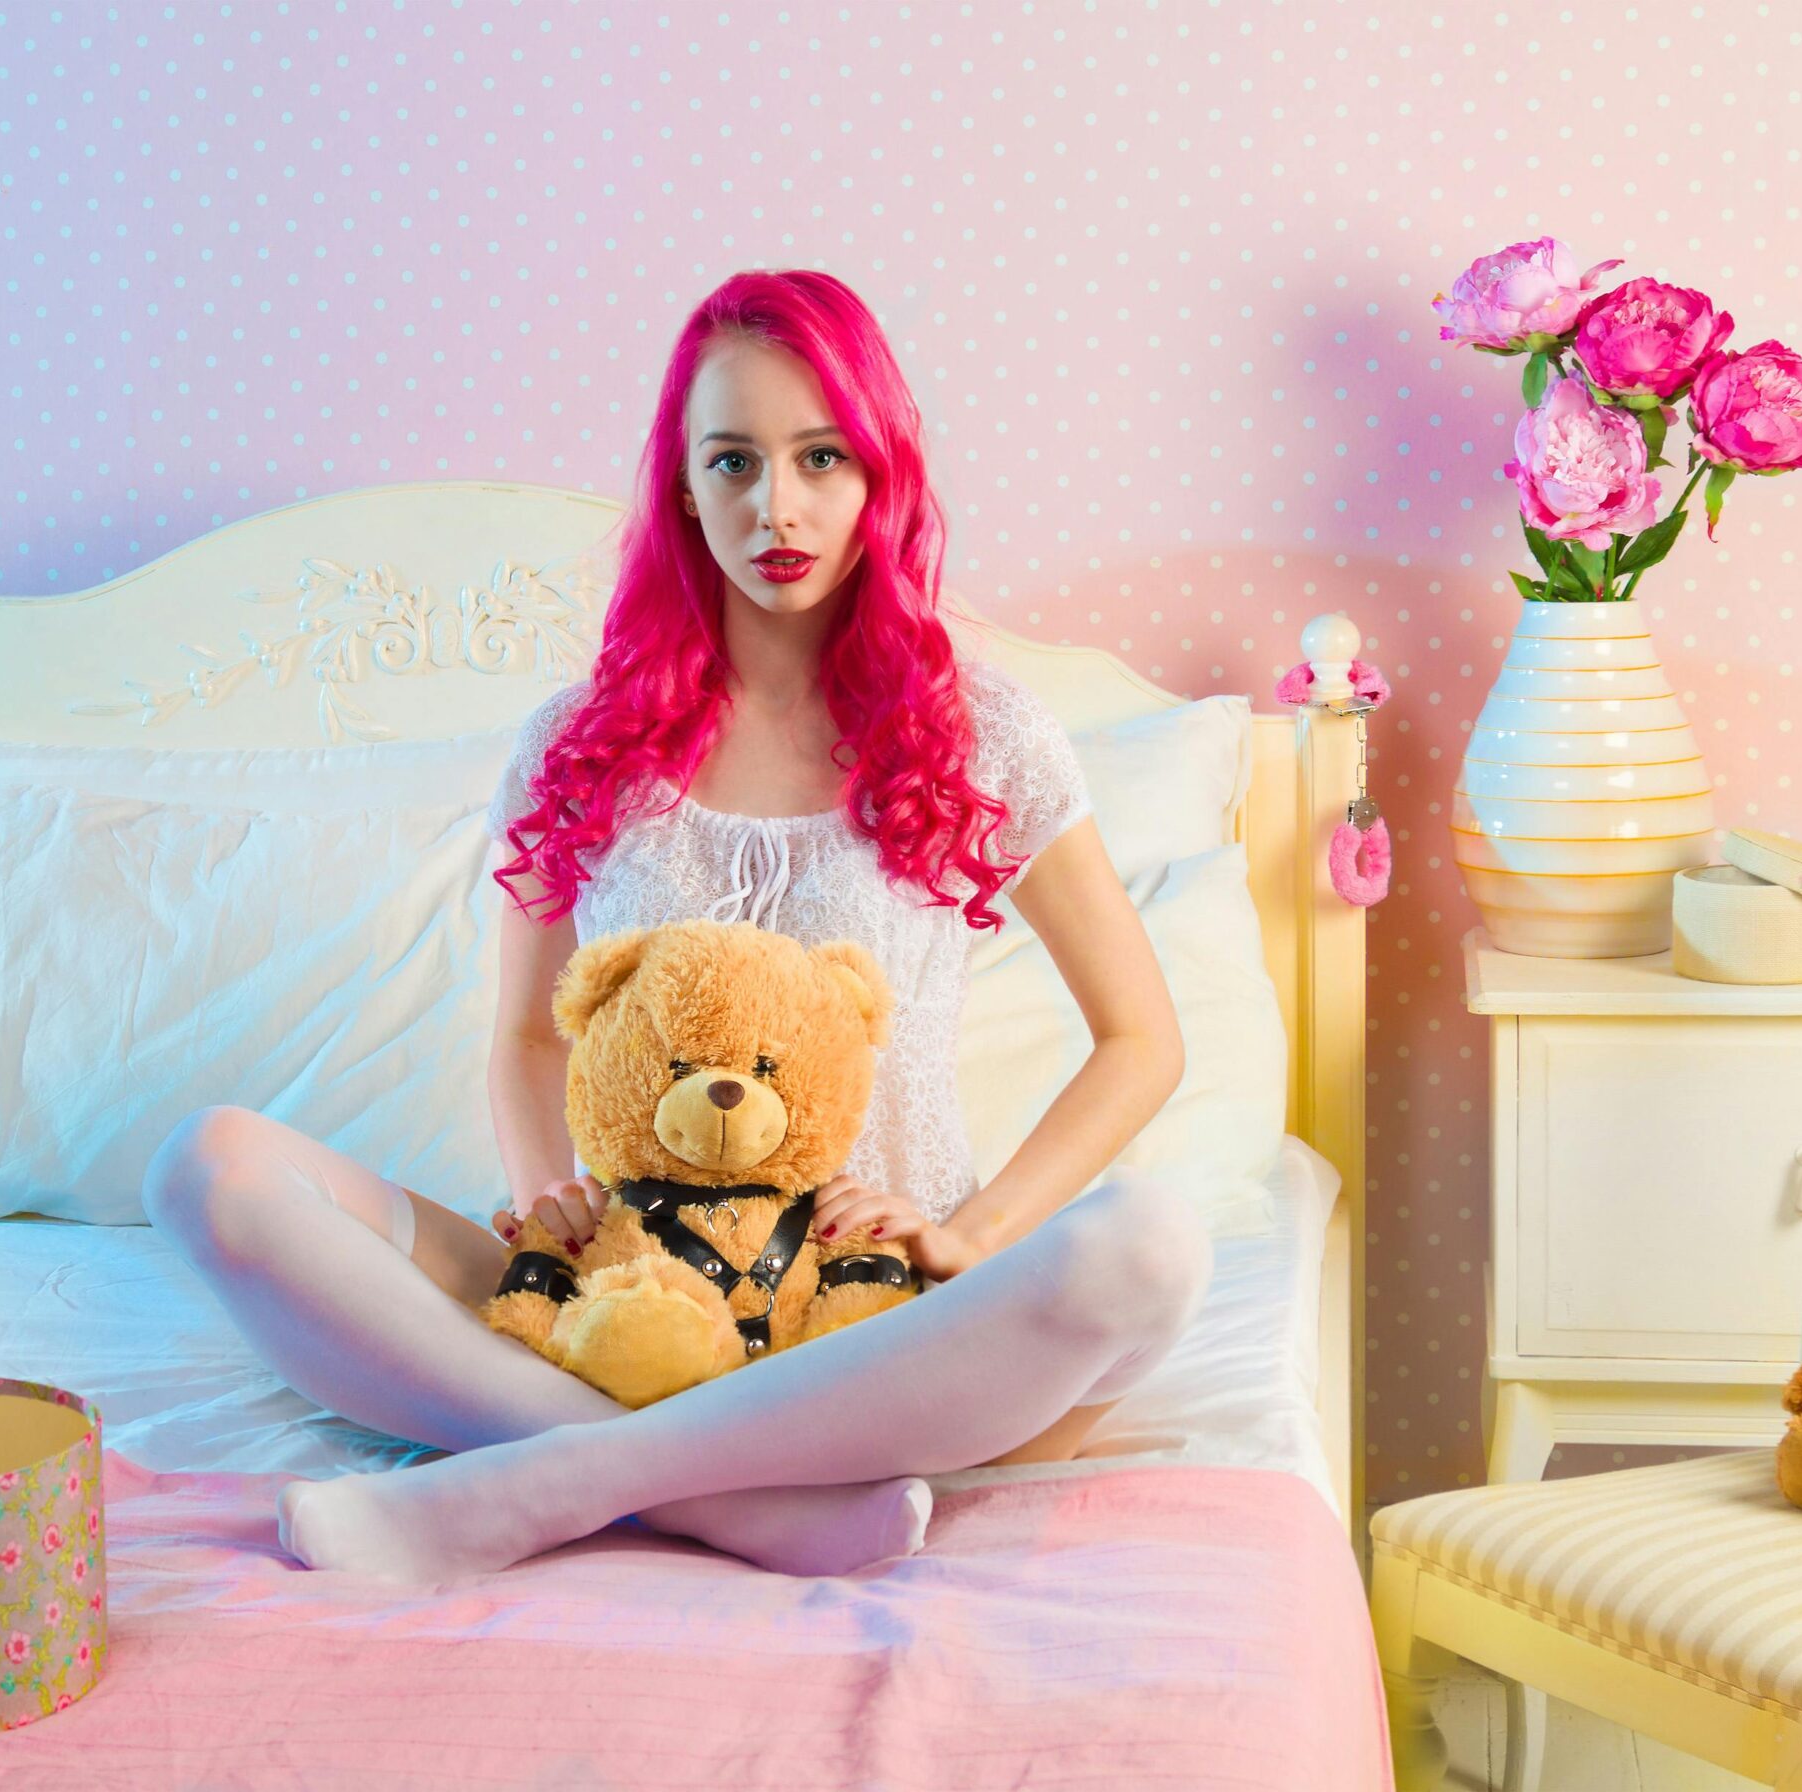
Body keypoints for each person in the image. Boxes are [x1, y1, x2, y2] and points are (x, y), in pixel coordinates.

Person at [145, 268, 1209, 1583]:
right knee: (210, 1168)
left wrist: (972, 1236)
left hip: (869, 1312)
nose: (779, 507)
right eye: (735, 461)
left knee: (1152, 1250)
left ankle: (551, 1475)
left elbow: (1140, 1040)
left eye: (823, 458)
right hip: (628, 1290)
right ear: (682, 489)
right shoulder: (581, 741)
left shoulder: (984, 733)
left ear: (880, 475)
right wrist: (551, 1209)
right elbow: (532, 1038)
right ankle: (731, 1496)